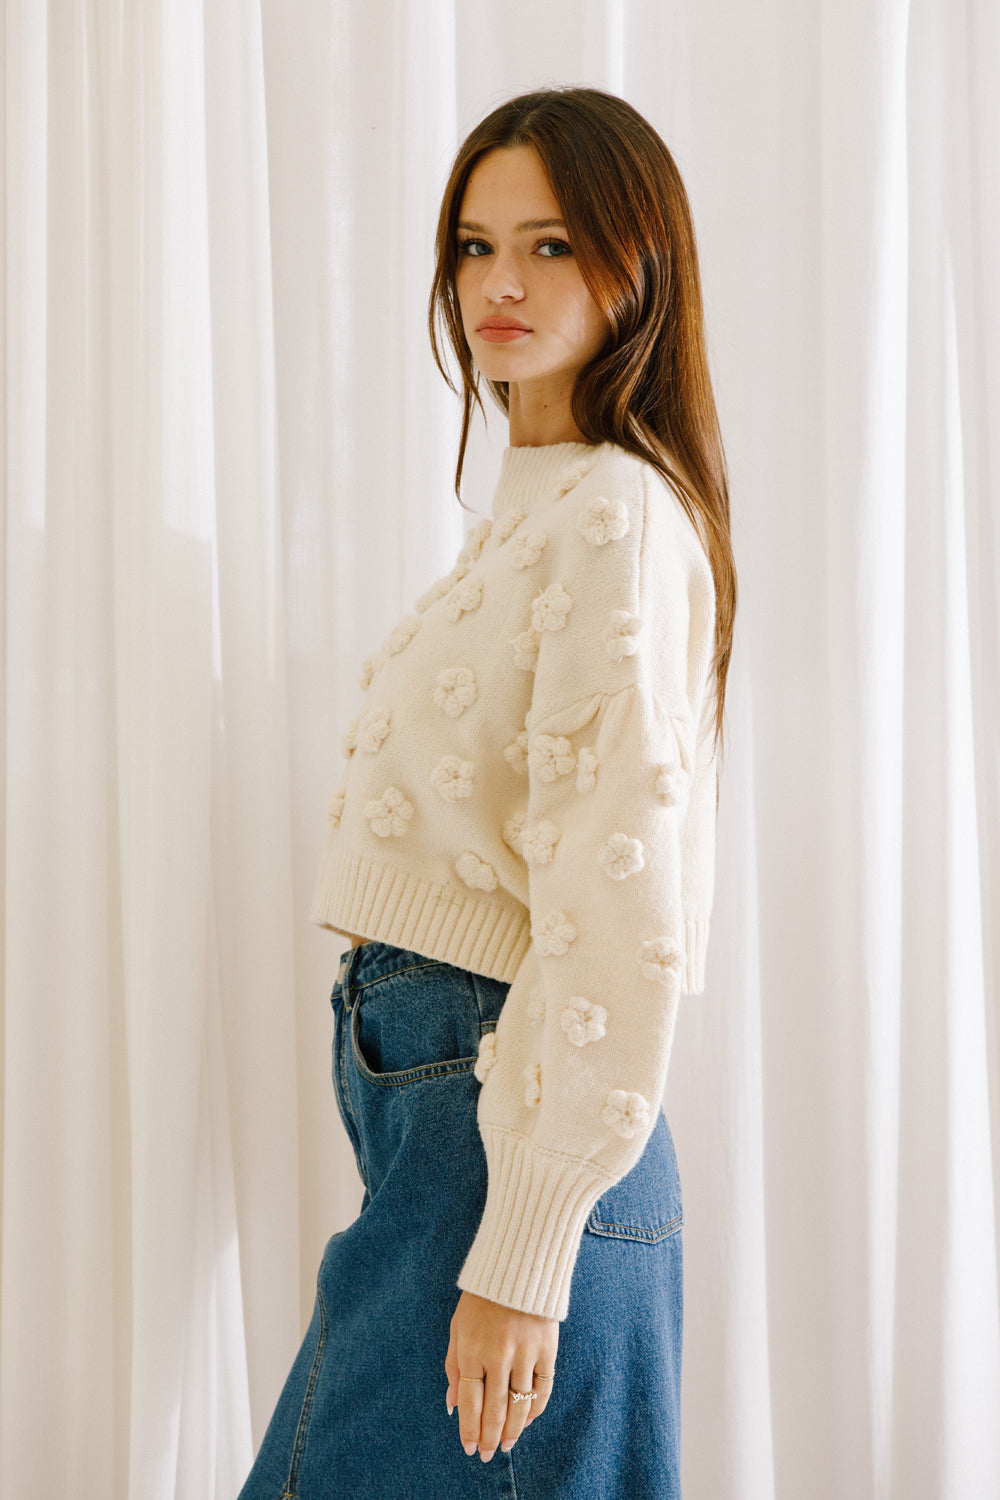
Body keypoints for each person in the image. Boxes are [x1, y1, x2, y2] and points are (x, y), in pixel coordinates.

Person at [238, 85, 736, 1499]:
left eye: (553, 246)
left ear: (638, 265)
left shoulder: (615, 516)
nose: (499, 286)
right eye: (473, 246)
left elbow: (614, 899)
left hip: (511, 1138)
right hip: (475, 1126)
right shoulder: (543, 508)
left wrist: (522, 1249)